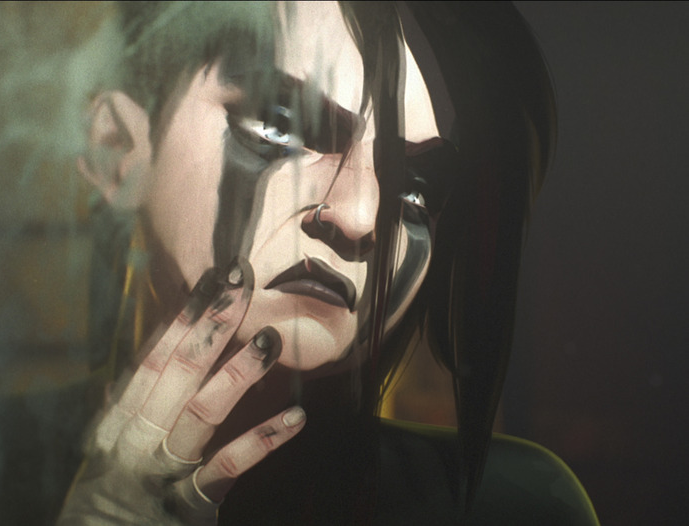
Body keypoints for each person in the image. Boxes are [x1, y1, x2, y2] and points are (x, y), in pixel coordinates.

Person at [59, 2, 598, 525]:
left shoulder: (510, 509)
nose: (361, 217)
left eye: (415, 188)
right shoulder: (9, 478)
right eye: (280, 127)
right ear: (116, 147)